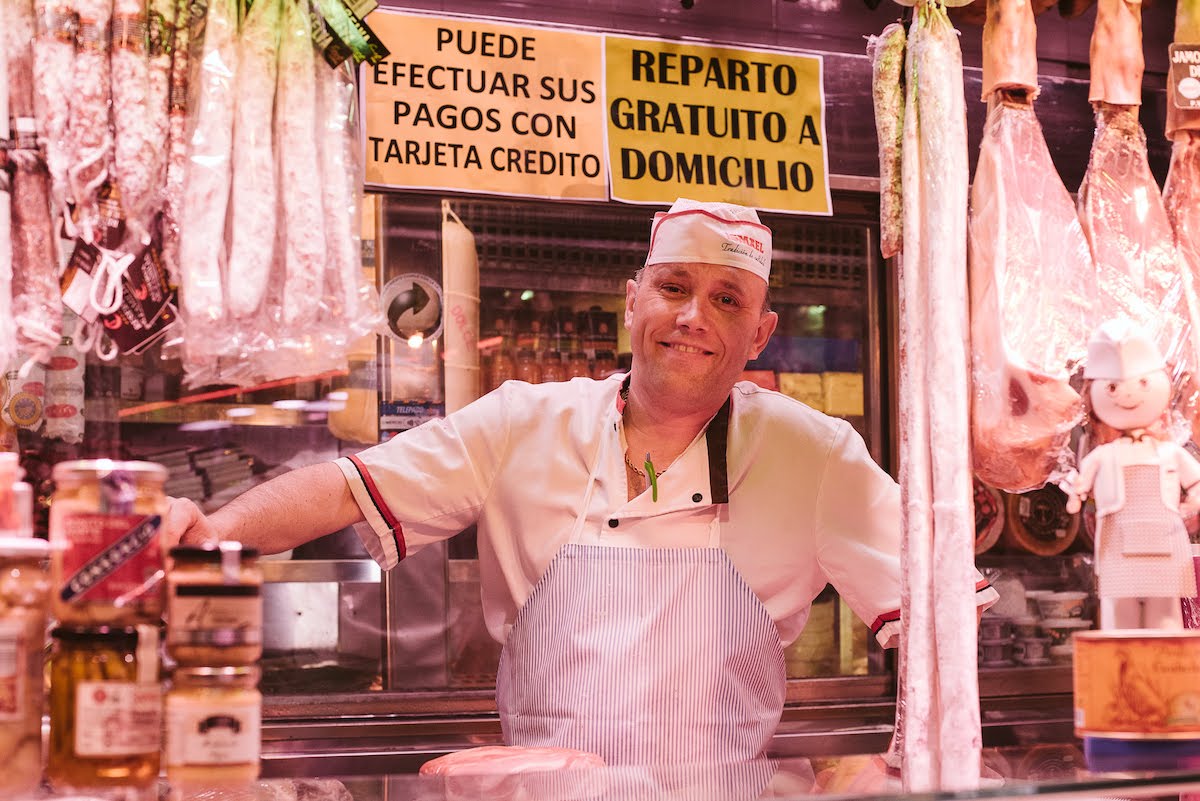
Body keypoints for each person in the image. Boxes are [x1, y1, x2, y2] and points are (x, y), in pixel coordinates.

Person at [167, 198, 997, 766]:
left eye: (726, 299)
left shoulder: (813, 454)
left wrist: (909, 765)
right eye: (673, 287)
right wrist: (210, 536)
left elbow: (942, 618)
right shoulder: (526, 419)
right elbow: (349, 487)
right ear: (632, 299)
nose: (692, 317)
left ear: (761, 333)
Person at [1063, 319, 1200, 630]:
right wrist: (1075, 491)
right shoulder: (1103, 455)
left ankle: (1166, 674)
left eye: (1142, 384)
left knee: (1165, 618)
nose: (1126, 395)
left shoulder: (1169, 452)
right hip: (1117, 543)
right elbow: (1080, 488)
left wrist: (1194, 503)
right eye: (1112, 387)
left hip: (1166, 543)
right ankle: (1120, 675)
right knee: (1118, 620)